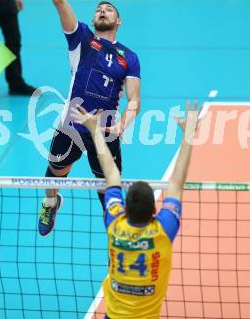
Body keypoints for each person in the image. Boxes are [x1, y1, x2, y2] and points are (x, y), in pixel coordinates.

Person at [35, 0, 141, 236]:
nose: (103, 10)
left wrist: (124, 123)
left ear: (118, 21)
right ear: (94, 20)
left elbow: (134, 99)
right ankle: (50, 204)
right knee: (55, 175)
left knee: (109, 192)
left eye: (109, 9)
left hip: (105, 131)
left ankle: (115, 241)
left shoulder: (128, 57)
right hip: (72, 125)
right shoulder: (81, 40)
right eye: (99, 9)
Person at [71, 101, 199, 319]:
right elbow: (177, 185)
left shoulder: (115, 221)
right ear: (154, 211)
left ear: (125, 209)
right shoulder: (162, 231)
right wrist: (188, 136)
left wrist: (95, 131)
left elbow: (111, 174)